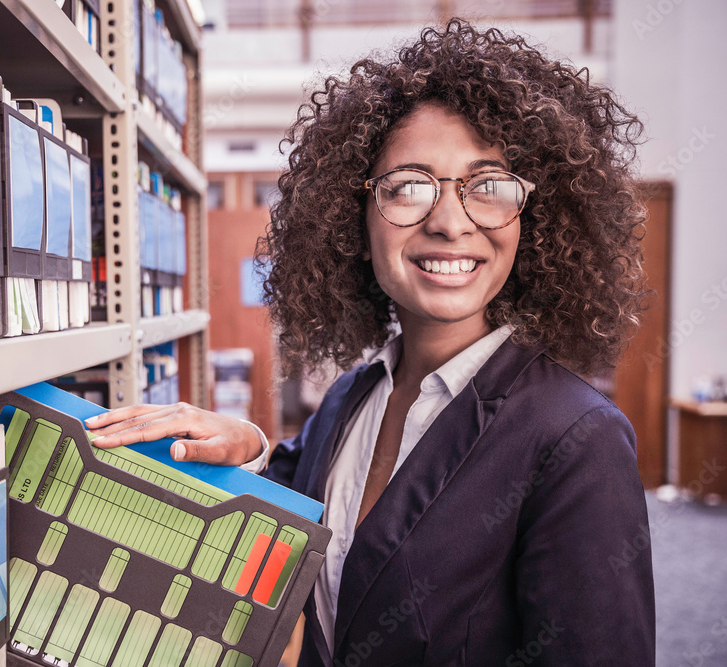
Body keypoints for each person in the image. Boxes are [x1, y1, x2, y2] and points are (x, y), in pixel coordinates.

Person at [84, 19, 656, 666]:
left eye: (488, 186)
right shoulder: (354, 395)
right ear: (352, 218)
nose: (448, 221)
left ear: (533, 219)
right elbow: (314, 508)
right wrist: (248, 446)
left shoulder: (577, 438)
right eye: (407, 187)